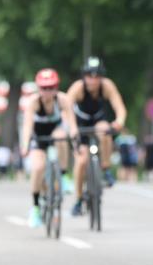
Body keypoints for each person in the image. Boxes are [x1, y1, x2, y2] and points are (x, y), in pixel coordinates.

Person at [65, 57, 128, 216]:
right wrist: (72, 128)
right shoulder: (77, 88)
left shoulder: (107, 86)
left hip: (98, 120)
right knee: (81, 161)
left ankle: (106, 169)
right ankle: (79, 199)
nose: (93, 80)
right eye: (89, 76)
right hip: (80, 124)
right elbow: (66, 109)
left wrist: (119, 122)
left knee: (105, 130)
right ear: (84, 76)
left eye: (97, 76)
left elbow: (120, 108)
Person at [20, 68, 77, 228]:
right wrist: (25, 146)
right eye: (44, 88)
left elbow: (72, 124)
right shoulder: (33, 102)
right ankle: (36, 207)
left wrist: (74, 136)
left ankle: (64, 176)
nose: (47, 91)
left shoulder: (62, 100)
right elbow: (27, 126)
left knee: (60, 137)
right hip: (38, 137)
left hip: (55, 132)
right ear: (39, 89)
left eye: (51, 87)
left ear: (56, 88)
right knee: (38, 168)